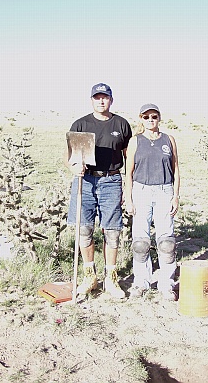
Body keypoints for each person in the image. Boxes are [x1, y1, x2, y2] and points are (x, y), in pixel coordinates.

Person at [66, 83, 132, 298]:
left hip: (111, 180)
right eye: (97, 97)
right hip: (85, 182)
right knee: (83, 229)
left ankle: (111, 279)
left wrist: (128, 184)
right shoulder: (80, 124)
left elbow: (128, 157)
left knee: (112, 231)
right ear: (91, 100)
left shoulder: (121, 124)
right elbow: (70, 156)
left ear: (111, 100)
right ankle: (89, 276)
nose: (101, 101)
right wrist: (74, 166)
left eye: (105, 97)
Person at [125, 103, 180, 300]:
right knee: (141, 242)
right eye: (146, 117)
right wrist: (129, 198)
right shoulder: (135, 141)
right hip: (141, 191)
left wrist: (175, 196)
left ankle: (167, 284)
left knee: (166, 242)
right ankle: (141, 282)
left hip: (165, 190)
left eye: (154, 116)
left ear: (159, 118)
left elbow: (176, 170)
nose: (150, 120)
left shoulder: (168, 140)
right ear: (141, 119)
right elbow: (128, 173)